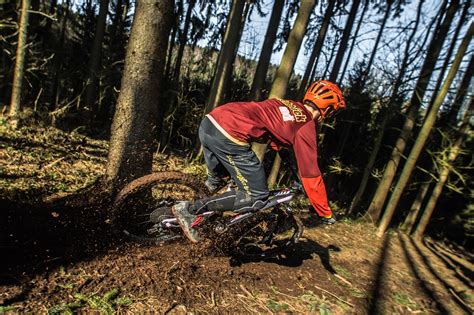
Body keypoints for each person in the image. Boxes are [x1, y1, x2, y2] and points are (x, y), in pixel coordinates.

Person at [173, 80, 346, 243]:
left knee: (217, 181)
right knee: (257, 196)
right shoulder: (306, 125)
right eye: (333, 111)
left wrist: (286, 157)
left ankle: (170, 217)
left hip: (211, 121)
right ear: (328, 109)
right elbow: (311, 175)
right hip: (230, 134)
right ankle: (189, 211)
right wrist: (325, 213)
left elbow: (274, 132)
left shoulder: (288, 104)